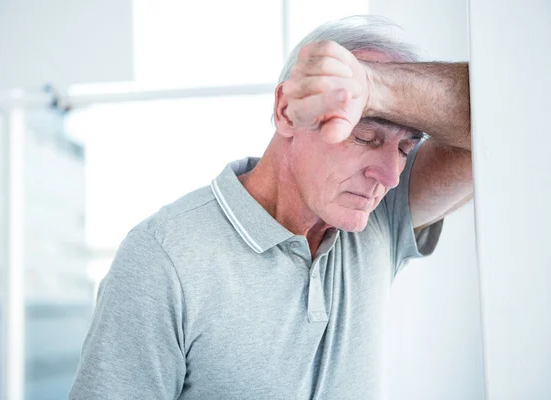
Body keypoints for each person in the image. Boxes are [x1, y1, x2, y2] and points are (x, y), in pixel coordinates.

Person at [69, 15, 473, 400]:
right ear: (286, 113)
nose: (388, 176)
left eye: (406, 148)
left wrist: (373, 86)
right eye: (366, 136)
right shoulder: (162, 259)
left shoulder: (381, 219)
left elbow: (511, 109)